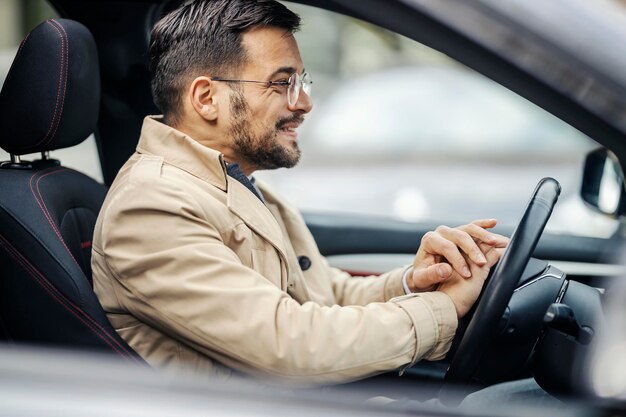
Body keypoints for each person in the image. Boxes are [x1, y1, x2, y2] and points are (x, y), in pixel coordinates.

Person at [91, 0, 507, 384]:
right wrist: (445, 310)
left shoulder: (234, 183)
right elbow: (290, 345)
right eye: (282, 83)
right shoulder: (151, 206)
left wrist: (416, 284)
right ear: (206, 98)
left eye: (301, 81)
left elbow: (325, 293)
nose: (304, 102)